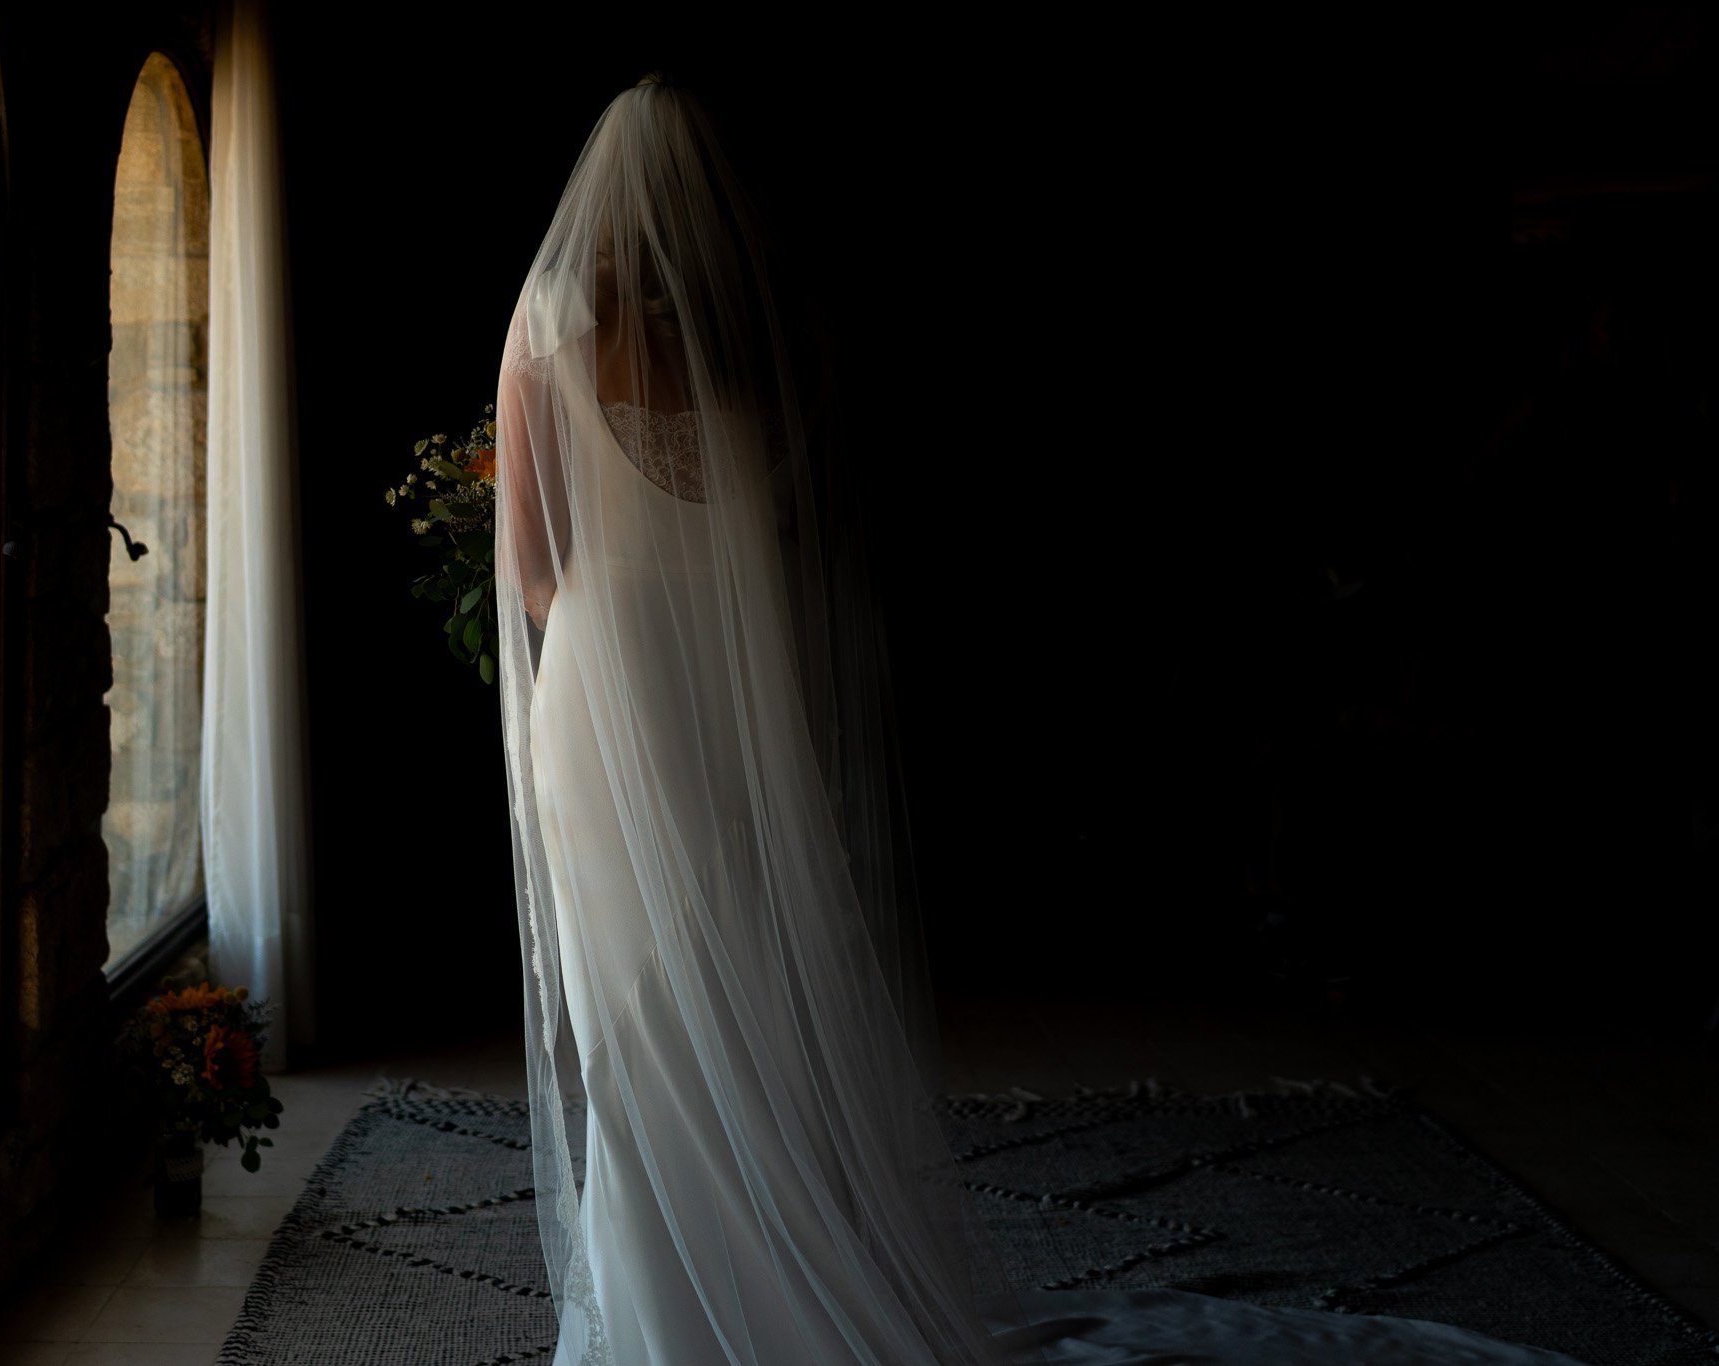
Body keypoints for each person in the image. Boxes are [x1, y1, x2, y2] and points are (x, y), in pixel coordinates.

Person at [493, 73, 1593, 1365]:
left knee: (629, 1002)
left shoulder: (549, 333)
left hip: (608, 675)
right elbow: (766, 555)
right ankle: (749, 1274)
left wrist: (601, 612)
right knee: (729, 985)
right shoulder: (744, 346)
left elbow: (528, 563)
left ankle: (664, 1310)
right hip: (716, 694)